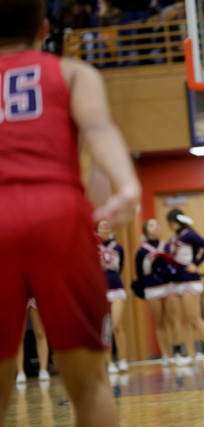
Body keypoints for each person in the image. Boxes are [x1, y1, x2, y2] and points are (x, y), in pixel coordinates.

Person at [0, 0, 140, 425]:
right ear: (44, 30)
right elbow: (98, 128)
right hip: (57, 212)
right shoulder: (73, 72)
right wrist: (127, 185)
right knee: (91, 385)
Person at [166, 209, 204, 364]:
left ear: (174, 221)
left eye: (171, 222)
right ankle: (191, 355)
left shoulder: (189, 235)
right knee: (183, 321)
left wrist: (196, 264)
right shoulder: (173, 238)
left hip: (190, 281)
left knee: (194, 318)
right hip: (176, 283)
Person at [135, 219, 184, 366]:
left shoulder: (167, 246)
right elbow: (139, 273)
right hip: (152, 289)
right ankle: (165, 355)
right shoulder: (142, 251)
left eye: (157, 225)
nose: (156, 227)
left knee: (173, 319)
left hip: (168, 286)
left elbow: (175, 266)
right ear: (145, 230)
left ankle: (177, 352)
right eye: (151, 225)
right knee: (160, 322)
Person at [97, 220, 128, 374]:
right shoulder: (92, 247)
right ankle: (109, 363)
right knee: (106, 327)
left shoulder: (119, 247)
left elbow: (120, 267)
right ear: (96, 230)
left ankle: (122, 360)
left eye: (108, 225)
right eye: (102, 226)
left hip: (116, 288)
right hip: (100, 290)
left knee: (116, 325)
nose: (106, 227)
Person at [16, 300, 50, 383]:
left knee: (40, 333)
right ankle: (20, 371)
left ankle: (43, 369)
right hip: (18, 290)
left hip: (34, 292)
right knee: (19, 334)